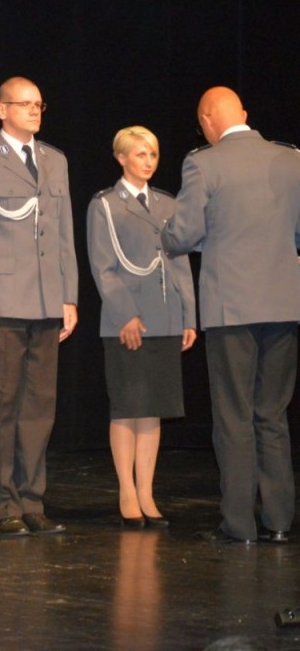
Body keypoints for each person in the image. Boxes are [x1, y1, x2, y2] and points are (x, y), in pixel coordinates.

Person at [161, 86, 300, 544]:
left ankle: (239, 525)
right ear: (244, 112)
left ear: (206, 121)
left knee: (234, 417)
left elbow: (183, 234)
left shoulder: (204, 163)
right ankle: (279, 522)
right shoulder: (291, 159)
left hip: (231, 308)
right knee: (272, 414)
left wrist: (173, 236)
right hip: (283, 305)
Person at [0, 76, 79, 536]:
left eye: (38, 104)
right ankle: (4, 504)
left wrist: (68, 295)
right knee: (1, 405)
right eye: (24, 104)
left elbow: (63, 234)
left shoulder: (55, 161)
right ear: (1, 110)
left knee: (39, 406)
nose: (34, 111)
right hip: (1, 301)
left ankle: (32, 499)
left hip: (45, 299)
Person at [86, 126, 196, 528]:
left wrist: (188, 315)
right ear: (121, 158)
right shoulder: (105, 204)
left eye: (153, 154)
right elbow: (103, 267)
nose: (148, 162)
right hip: (126, 320)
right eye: (140, 154)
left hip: (164, 316)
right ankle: (126, 491)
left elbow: (180, 262)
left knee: (153, 409)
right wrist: (125, 314)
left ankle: (147, 491)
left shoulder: (167, 203)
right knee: (128, 406)